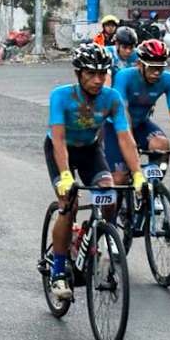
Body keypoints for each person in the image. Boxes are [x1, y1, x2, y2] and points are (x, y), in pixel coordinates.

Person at [45, 43, 146, 300]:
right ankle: (57, 271)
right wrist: (66, 176)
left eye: (102, 73)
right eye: (91, 73)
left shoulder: (111, 98)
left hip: (90, 149)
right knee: (69, 203)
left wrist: (137, 175)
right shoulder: (61, 96)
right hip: (61, 149)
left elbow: (125, 137)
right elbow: (58, 139)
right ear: (79, 74)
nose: (98, 80)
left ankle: (104, 233)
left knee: (108, 191)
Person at [104, 39, 170, 185]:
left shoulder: (169, 80)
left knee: (161, 145)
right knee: (119, 179)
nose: (157, 73)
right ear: (139, 64)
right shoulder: (124, 76)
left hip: (141, 124)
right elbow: (123, 113)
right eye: (152, 68)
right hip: (116, 128)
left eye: (160, 68)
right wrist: (131, 145)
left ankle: (152, 190)